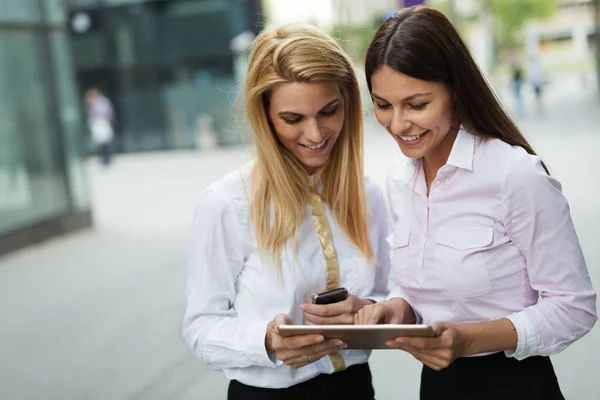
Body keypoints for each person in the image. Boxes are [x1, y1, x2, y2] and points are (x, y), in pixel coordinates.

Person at [355, 6, 597, 400]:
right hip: (437, 387)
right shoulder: (399, 181)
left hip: (515, 385)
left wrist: (469, 339)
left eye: (416, 105)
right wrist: (400, 308)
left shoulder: (514, 175)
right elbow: (428, 286)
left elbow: (575, 308)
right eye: (383, 105)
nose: (398, 125)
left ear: (455, 89)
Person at [182, 24, 391, 400]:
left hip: (355, 388)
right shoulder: (227, 203)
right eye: (293, 119)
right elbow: (201, 325)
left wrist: (368, 310)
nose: (315, 134)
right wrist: (265, 341)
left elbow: (387, 292)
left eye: (329, 111)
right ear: (264, 116)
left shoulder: (368, 194)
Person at [85, 88, 115, 166]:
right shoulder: (91, 103)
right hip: (96, 123)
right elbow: (90, 114)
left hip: (103, 122)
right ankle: (103, 158)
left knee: (106, 140)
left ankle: (108, 158)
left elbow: (108, 111)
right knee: (99, 142)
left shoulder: (104, 101)